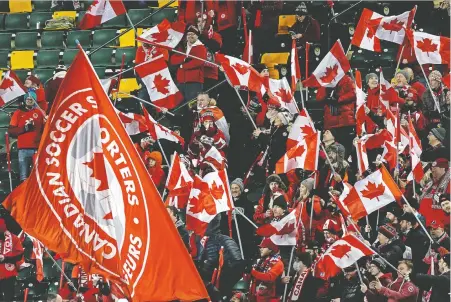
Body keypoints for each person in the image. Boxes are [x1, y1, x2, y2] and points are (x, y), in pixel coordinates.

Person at [8, 91, 45, 182]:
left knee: (38, 175)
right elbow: (11, 132)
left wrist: (47, 122)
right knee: (24, 176)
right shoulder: (18, 113)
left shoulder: (40, 113)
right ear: (25, 100)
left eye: (31, 99)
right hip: (23, 149)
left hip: (37, 148)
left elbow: (45, 130)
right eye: (27, 99)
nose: (29, 101)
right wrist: (24, 128)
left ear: (35, 100)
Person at [316, 74, 357, 151]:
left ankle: (345, 162)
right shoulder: (326, 80)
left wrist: (339, 99)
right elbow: (319, 97)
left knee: (345, 148)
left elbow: (354, 93)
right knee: (331, 149)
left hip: (345, 121)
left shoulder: (347, 79)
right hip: (331, 122)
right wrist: (325, 89)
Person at [170, 25, 207, 105]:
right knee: (179, 106)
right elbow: (173, 60)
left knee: (192, 105)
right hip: (181, 81)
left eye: (192, 34)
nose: (190, 36)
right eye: (188, 34)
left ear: (197, 36)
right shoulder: (182, 47)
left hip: (194, 82)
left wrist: (183, 66)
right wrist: (184, 59)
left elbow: (199, 61)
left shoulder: (201, 47)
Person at [418, 158, 450, 227]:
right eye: (432, 167)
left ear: (443, 168)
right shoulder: (431, 182)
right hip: (425, 222)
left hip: (439, 225)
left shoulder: (449, 183)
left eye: (435, 167)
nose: (432, 169)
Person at [0, 218, 24, 301]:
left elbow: (19, 256)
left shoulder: (14, 238)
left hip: (8, 275)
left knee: (8, 298)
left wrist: (5, 259)